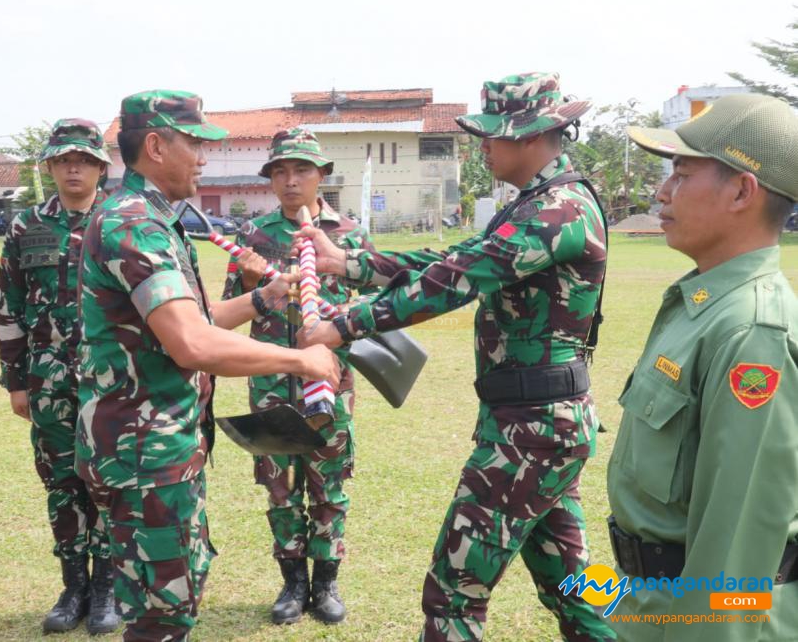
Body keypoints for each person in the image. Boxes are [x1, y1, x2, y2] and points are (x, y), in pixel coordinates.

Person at [298, 72, 617, 641]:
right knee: (578, 595)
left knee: (452, 595)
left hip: (532, 432)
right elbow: (454, 258)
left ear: (534, 135)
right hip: (542, 423)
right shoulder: (537, 203)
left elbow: (459, 279)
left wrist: (343, 324)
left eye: (492, 135)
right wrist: (348, 267)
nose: (483, 145)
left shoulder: (558, 210)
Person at [76, 90, 340, 642]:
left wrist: (262, 299)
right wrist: (300, 357)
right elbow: (192, 343)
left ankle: (578, 598)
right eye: (194, 142)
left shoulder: (155, 220)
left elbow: (191, 317)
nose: (204, 157)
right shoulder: (134, 224)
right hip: (144, 453)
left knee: (176, 596)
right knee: (161, 618)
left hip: (162, 448)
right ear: (155, 145)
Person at [604, 93, 798, 641]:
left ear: (742, 191)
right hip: (653, 604)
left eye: (681, 174)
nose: (661, 192)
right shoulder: (704, 305)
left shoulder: (752, 331)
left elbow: (735, 550)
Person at [222, 127, 375, 625]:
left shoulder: (348, 234)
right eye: (280, 171)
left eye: (302, 170)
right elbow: (228, 312)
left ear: (321, 175)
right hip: (270, 381)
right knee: (279, 483)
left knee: (330, 481)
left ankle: (327, 582)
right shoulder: (254, 236)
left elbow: (373, 309)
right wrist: (251, 280)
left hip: (331, 383)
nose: (291, 181)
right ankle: (292, 584)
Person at [0, 119, 120, 634]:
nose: (75, 168)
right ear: (49, 166)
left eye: (85, 160)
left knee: (109, 482)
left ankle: (108, 588)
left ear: (101, 168)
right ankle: (74, 587)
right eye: (65, 160)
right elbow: (11, 304)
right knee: (63, 484)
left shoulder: (118, 222)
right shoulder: (27, 227)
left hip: (112, 380)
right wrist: (16, 380)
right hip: (48, 383)